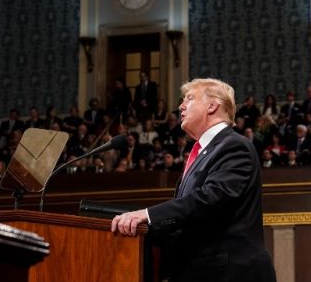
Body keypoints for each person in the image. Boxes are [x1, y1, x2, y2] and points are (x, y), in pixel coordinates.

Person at [111, 78, 276, 282]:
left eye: (189, 98)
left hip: (231, 272)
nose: (180, 105)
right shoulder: (203, 152)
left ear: (212, 106)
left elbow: (209, 199)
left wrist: (148, 215)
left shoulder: (234, 145)